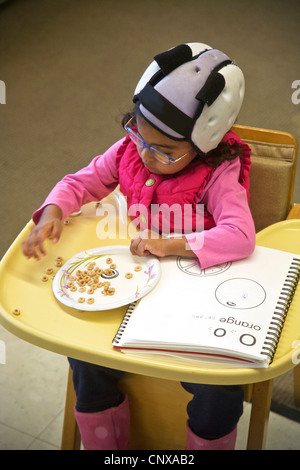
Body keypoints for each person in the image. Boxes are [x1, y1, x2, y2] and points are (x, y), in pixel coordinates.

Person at [22, 42, 256, 450]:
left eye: (164, 152)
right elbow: (81, 182)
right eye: (139, 137)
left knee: (219, 390)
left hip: (194, 295)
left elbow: (241, 235)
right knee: (85, 359)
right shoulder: (130, 150)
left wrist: (173, 244)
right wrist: (55, 208)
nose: (145, 155)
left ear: (205, 143)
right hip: (135, 281)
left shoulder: (220, 173)